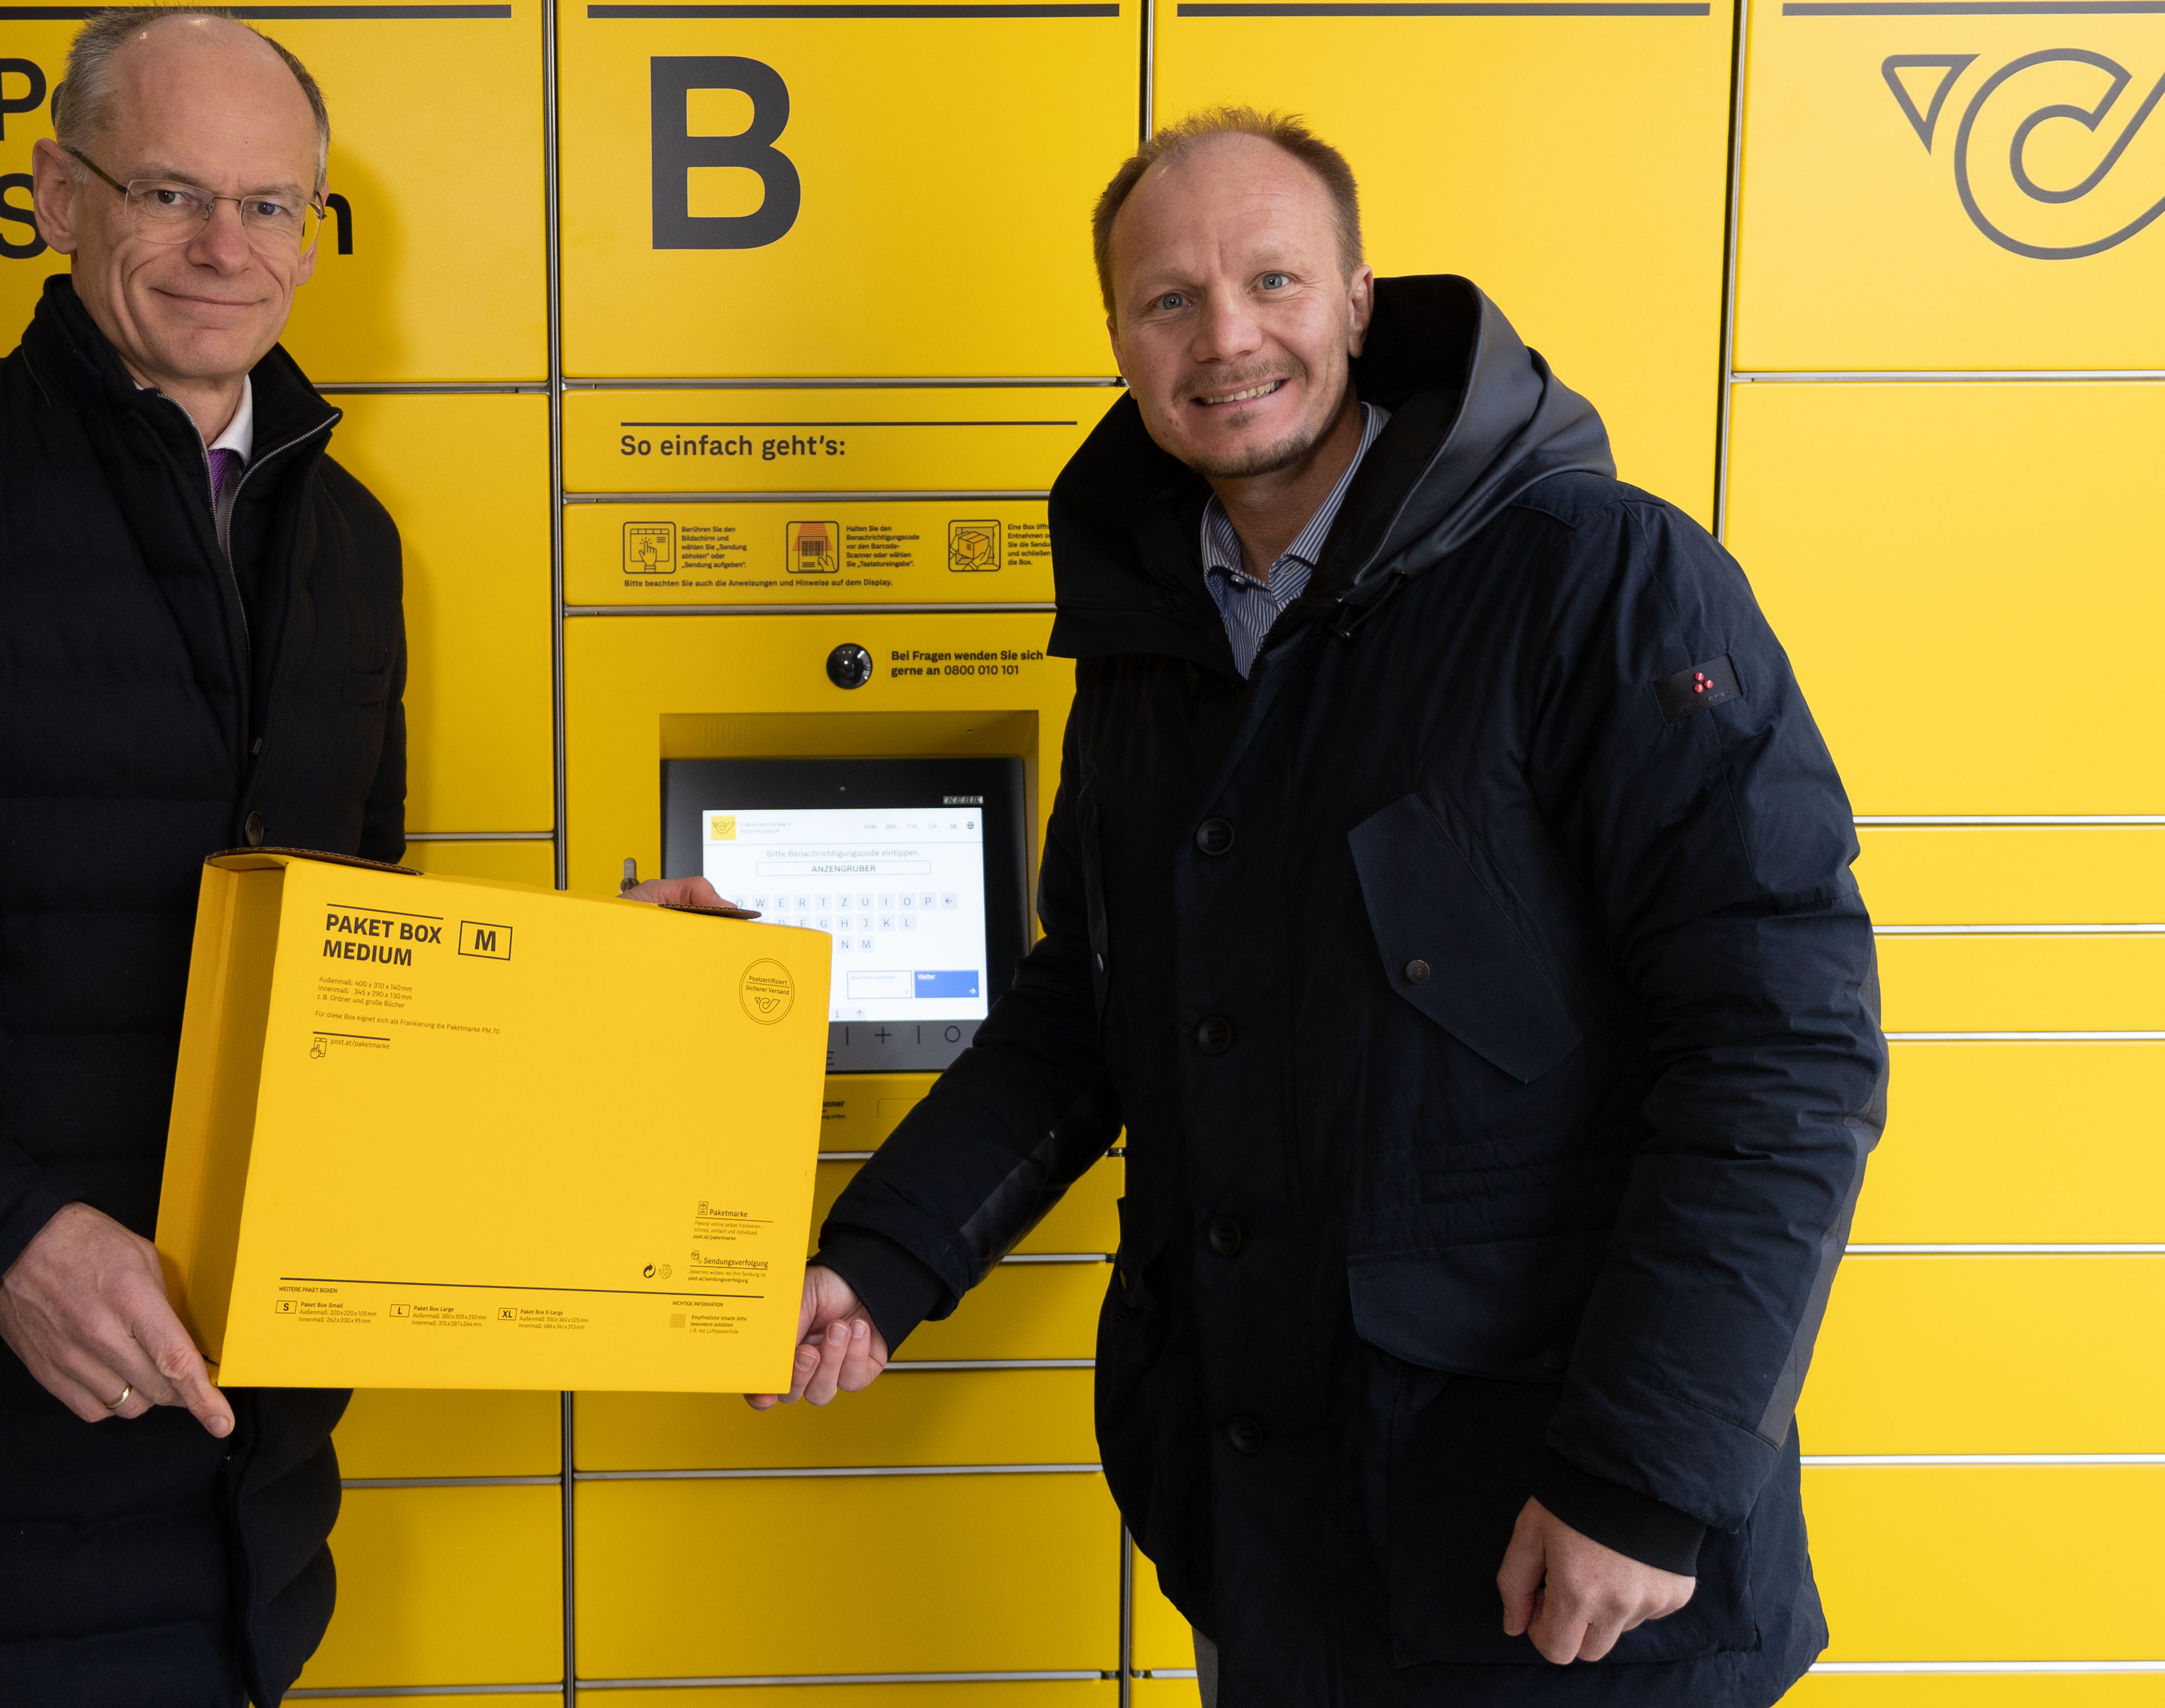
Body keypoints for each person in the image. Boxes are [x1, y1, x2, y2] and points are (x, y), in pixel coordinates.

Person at [0, 8, 701, 1706]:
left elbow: (364, 965)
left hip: (235, 1517)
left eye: (275, 206)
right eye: (173, 191)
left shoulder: (345, 540)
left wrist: (613, 1009)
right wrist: (4, 1245)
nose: (228, 248)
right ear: (58, 197)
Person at [763, 108, 1887, 1706]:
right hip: (1275, 1538)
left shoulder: (1597, 578)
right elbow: (1085, 1016)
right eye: (1168, 301)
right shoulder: (1151, 657)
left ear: (1360, 298)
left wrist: (1646, 1473)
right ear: (1119, 338)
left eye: (1272, 280)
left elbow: (1782, 1048)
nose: (1227, 337)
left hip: (1562, 1557)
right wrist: (880, 1261)